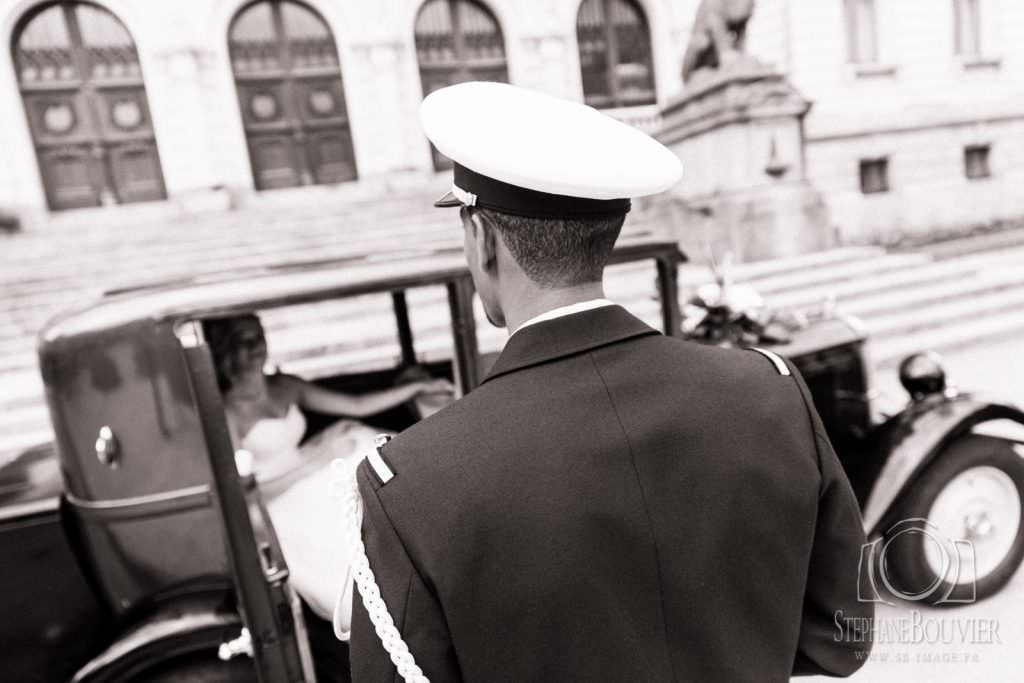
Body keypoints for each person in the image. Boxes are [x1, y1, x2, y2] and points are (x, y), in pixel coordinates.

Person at [337, 82, 873, 682]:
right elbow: (843, 639)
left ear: (482, 240)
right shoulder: (770, 392)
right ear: (609, 232)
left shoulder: (411, 485)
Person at [204, 313, 452, 619]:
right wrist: (321, 459)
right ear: (226, 352)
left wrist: (414, 388)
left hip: (307, 464)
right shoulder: (226, 411)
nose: (257, 345)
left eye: (259, 335)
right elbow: (245, 488)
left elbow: (357, 405)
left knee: (361, 441)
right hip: (276, 494)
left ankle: (437, 549)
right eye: (244, 340)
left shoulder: (284, 386)